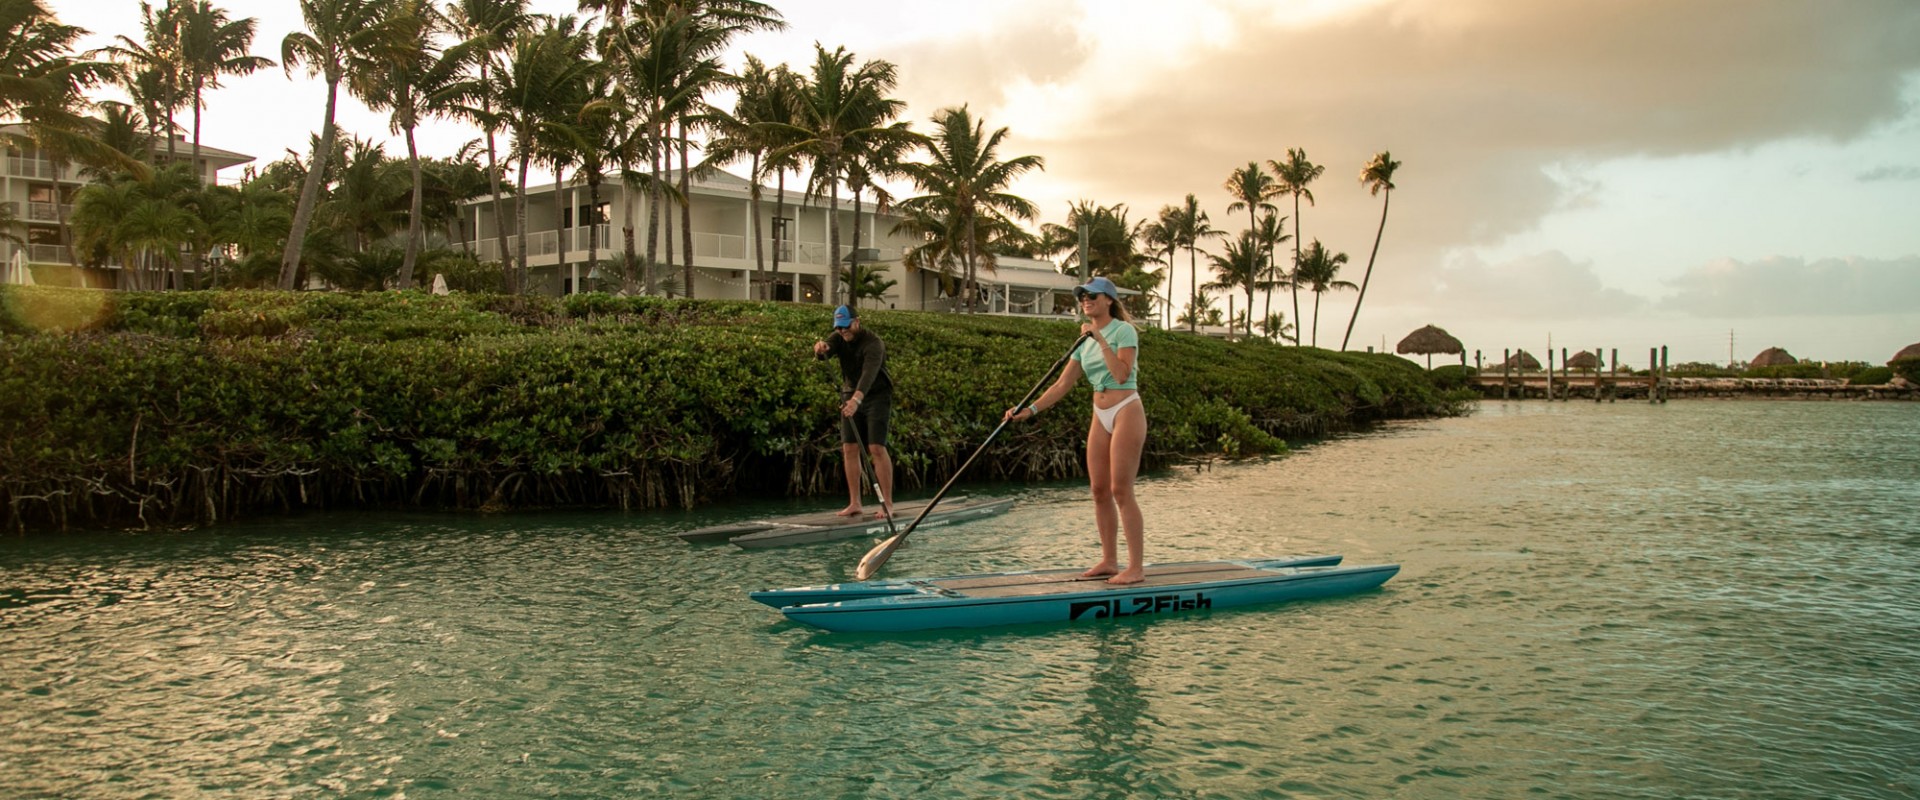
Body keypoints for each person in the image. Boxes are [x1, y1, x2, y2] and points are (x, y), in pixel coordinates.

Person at [1005, 276, 1147, 584]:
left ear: (1109, 300)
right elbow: (1061, 384)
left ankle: (1135, 567)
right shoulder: (1083, 341)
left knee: (1121, 490)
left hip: (1126, 410)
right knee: (1099, 491)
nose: (1085, 299)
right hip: (1100, 412)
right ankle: (1110, 560)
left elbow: (1122, 375)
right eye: (1082, 296)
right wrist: (1029, 410)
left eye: (1092, 295)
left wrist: (1100, 339)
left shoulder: (1123, 331)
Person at [813, 304, 895, 519]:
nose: (842, 331)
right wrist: (821, 348)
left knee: (876, 447)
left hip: (877, 396)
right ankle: (855, 503)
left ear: (857, 321)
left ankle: (887, 503)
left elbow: (868, 375)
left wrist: (857, 400)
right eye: (838, 327)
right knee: (849, 448)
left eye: (846, 326)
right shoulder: (838, 336)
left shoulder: (873, 343)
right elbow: (827, 350)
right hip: (850, 395)